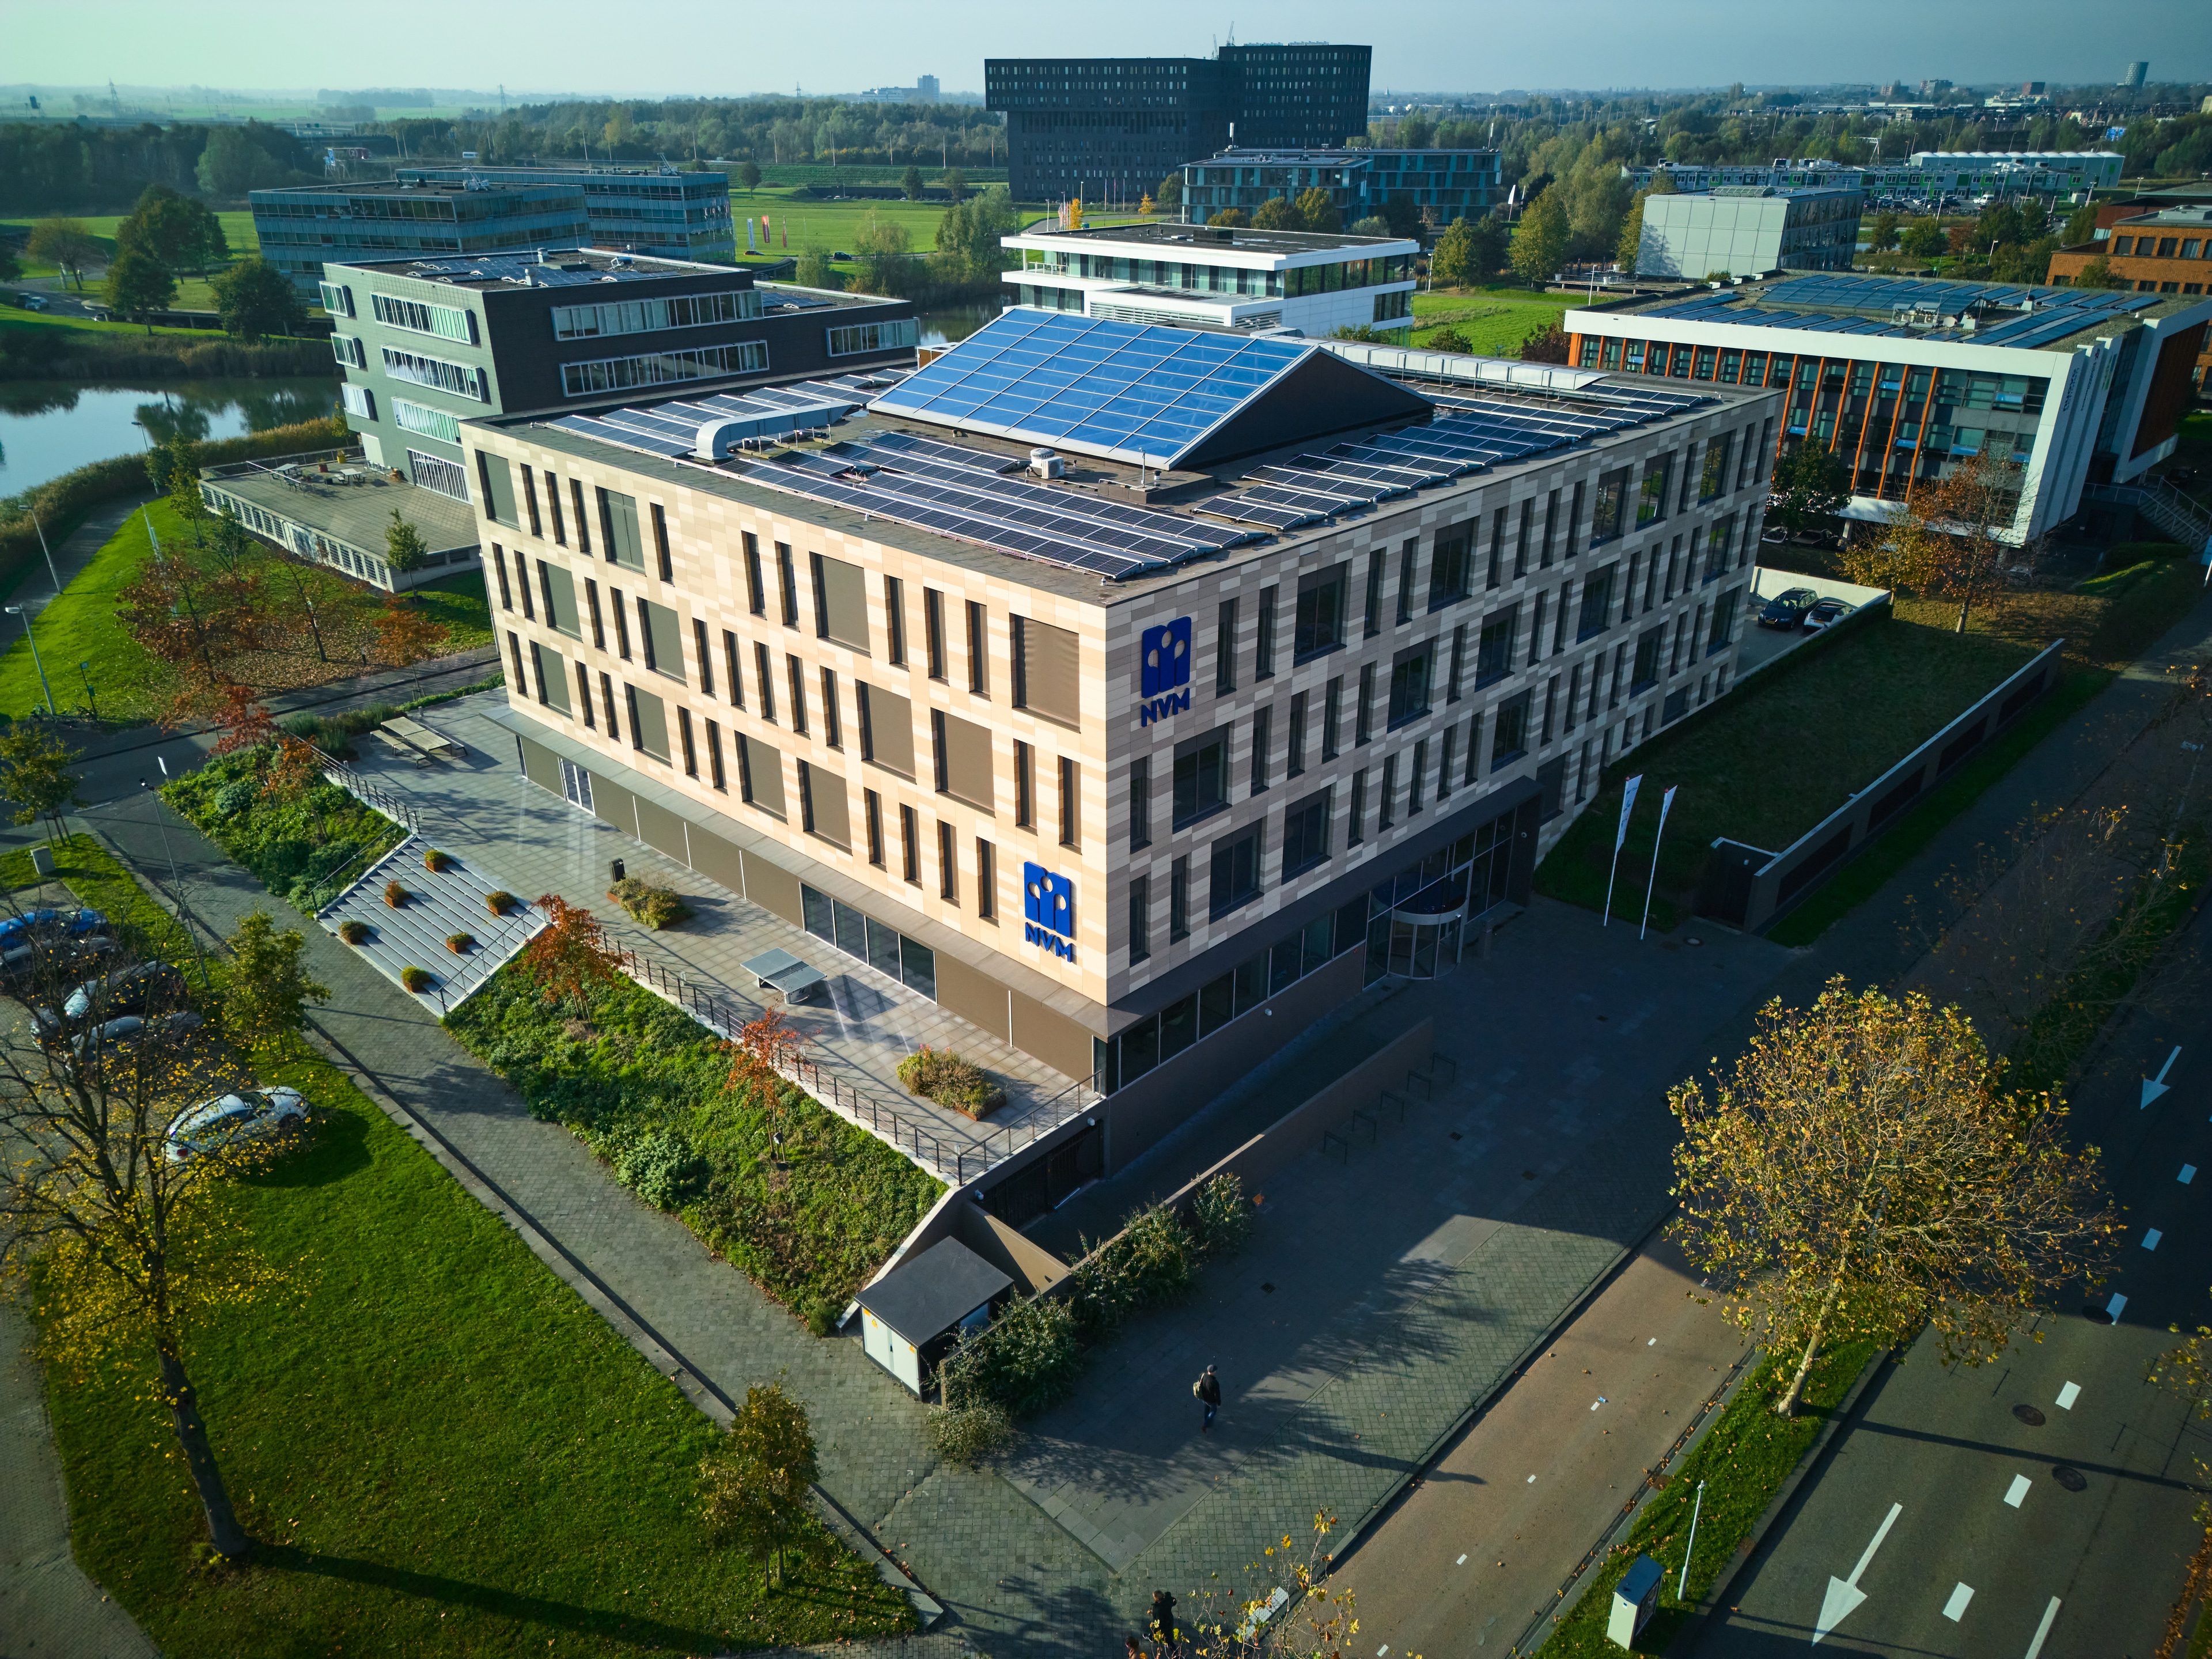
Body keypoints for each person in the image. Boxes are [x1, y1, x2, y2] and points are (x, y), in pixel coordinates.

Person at [1150, 1589, 1180, 1657]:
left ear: (1157, 1599)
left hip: (1164, 1626)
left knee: (1168, 1640)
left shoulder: (1158, 1609)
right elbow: (1173, 1601)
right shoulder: (1167, 1599)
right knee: (1158, 1632)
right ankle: (1152, 1637)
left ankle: (1176, 1653)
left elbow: (1159, 1622)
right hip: (1169, 1620)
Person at [1195, 1363, 1221, 1433]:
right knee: (1213, 1411)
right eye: (1215, 1371)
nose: (1216, 1372)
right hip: (1211, 1400)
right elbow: (1217, 1394)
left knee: (1206, 1409)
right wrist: (1219, 1403)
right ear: (1212, 1372)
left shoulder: (1202, 1375)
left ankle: (1206, 1420)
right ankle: (1206, 1424)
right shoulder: (1215, 1382)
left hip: (1204, 1398)